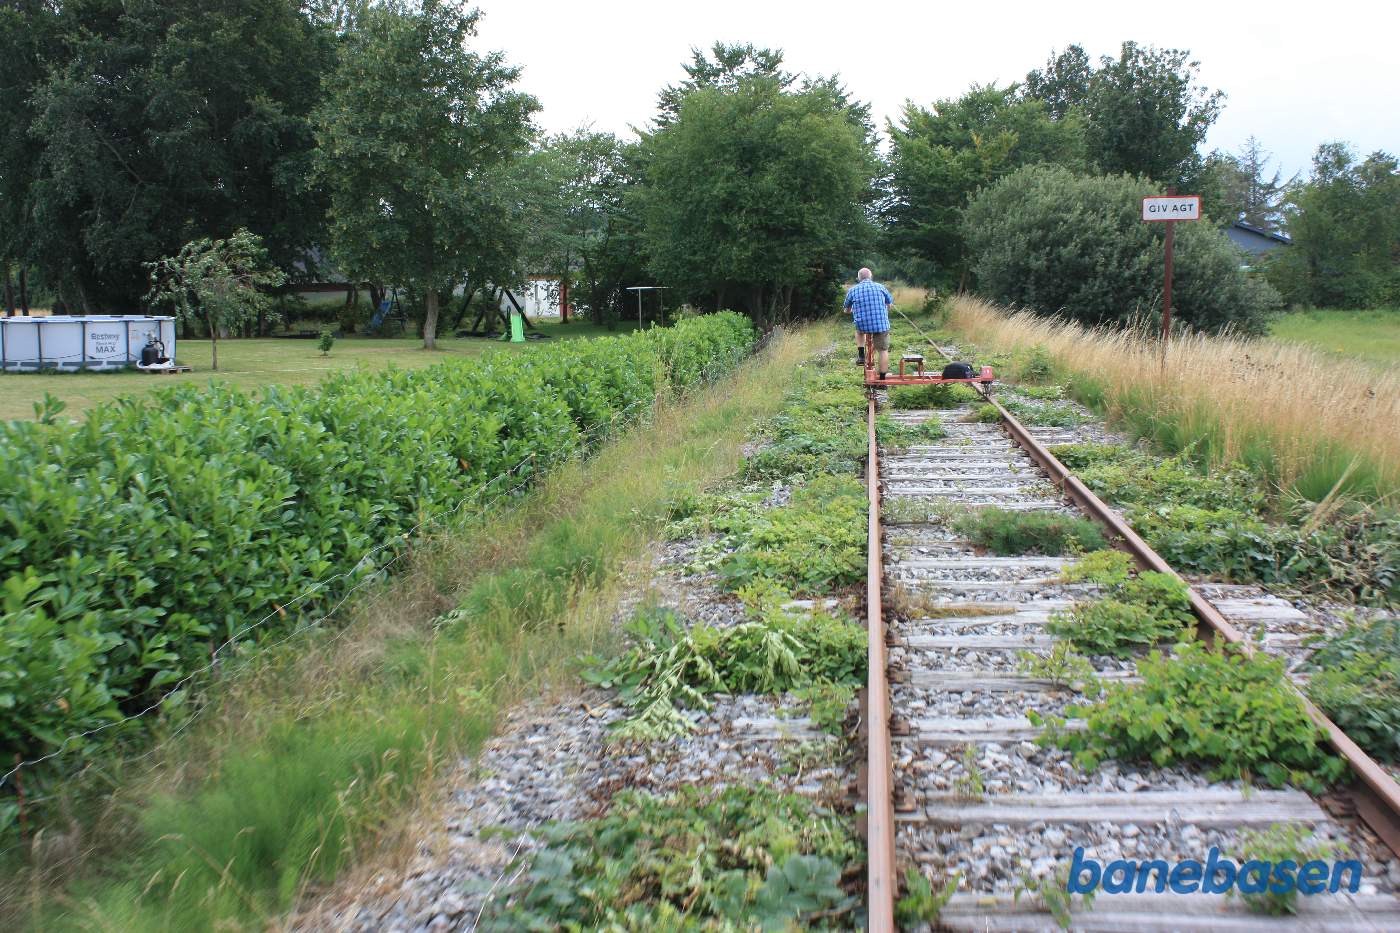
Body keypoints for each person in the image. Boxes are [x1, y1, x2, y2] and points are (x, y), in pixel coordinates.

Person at [845, 267, 892, 379]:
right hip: (881, 324)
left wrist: (853, 310)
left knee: (859, 331)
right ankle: (882, 378)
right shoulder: (881, 287)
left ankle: (861, 355)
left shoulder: (853, 290)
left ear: (858, 278)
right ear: (871, 276)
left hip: (863, 324)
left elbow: (846, 310)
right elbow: (889, 305)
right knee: (883, 351)